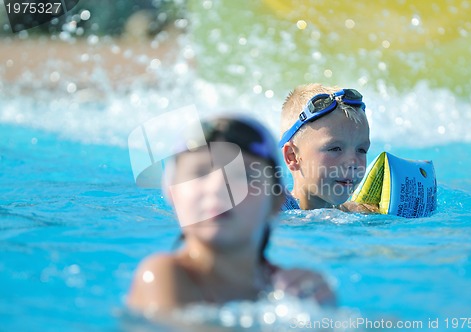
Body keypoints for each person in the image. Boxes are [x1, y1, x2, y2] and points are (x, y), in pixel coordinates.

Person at [127, 115, 335, 318]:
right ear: (173, 195)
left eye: (243, 175)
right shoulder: (163, 276)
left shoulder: (296, 289)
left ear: (276, 202)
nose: (218, 188)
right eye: (200, 173)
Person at [280, 83, 378, 212]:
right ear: (292, 156)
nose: (352, 163)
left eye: (361, 150)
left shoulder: (365, 212)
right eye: (335, 148)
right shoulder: (277, 217)